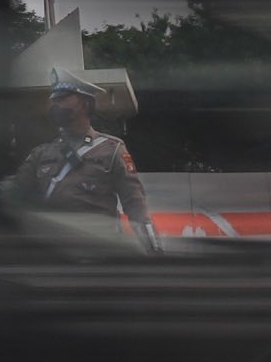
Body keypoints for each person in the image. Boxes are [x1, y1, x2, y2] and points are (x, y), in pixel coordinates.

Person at [12, 68, 162, 254]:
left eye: (63, 99)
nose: (56, 106)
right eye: (54, 101)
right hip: (54, 254)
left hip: (100, 253)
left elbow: (135, 204)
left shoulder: (112, 149)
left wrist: (153, 249)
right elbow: (14, 194)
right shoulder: (41, 153)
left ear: (84, 103)